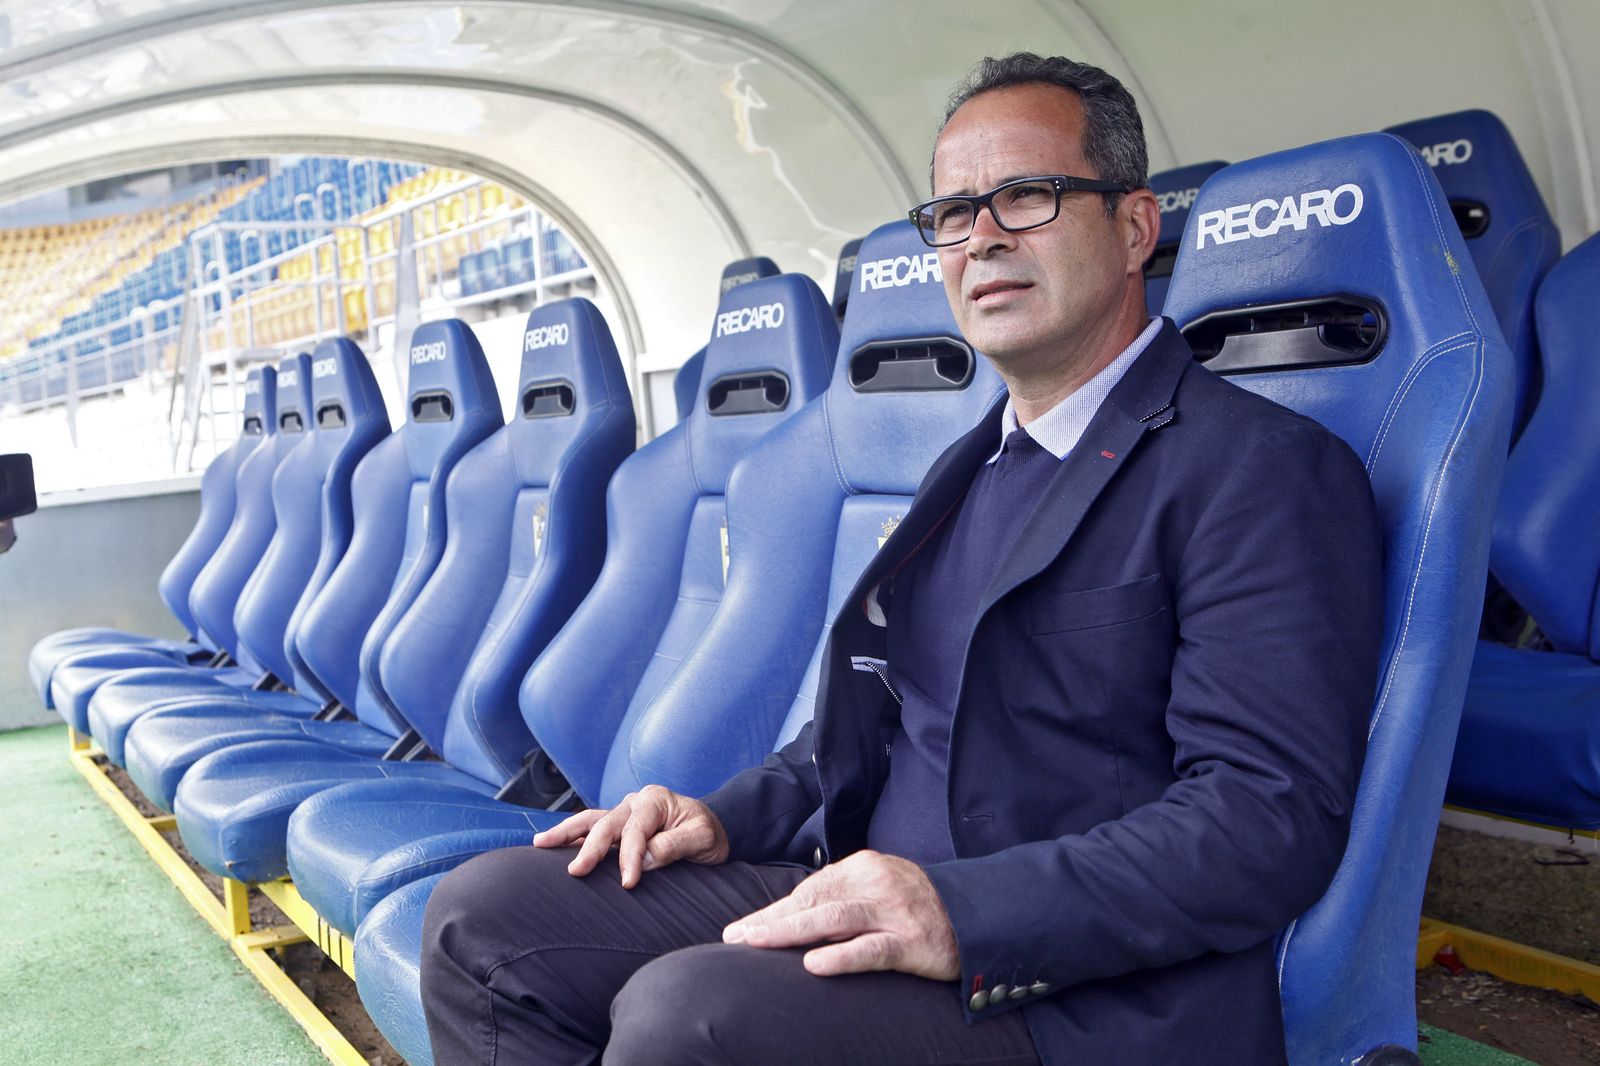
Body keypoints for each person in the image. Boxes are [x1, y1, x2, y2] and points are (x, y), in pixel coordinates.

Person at [421, 53, 1382, 1065]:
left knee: (689, 1015)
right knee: (484, 920)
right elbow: (872, 732)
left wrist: (958, 910)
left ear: (1135, 227)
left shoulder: (1260, 469)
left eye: (1027, 196)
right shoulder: (970, 465)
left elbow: (1262, 817)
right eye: (955, 212)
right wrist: (717, 818)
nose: (983, 238)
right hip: (872, 888)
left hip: (1070, 985)